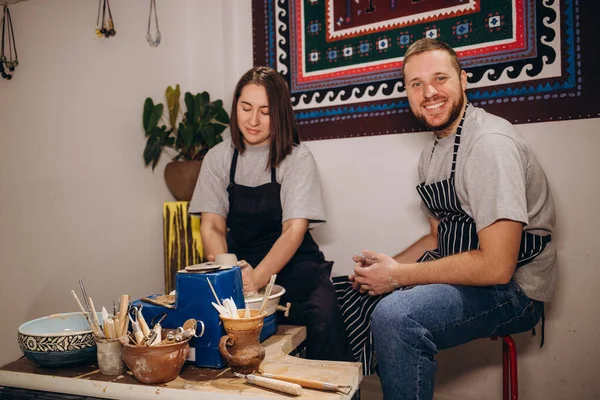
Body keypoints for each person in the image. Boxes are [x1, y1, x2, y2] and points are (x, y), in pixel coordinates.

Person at [339, 38, 556, 399]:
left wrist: (396, 277)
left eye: (440, 78)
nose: (429, 93)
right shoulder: (432, 153)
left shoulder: (489, 145)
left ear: (463, 80)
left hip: (514, 289)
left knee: (396, 316)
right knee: (343, 295)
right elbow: (438, 238)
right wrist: (383, 268)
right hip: (469, 271)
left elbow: (497, 266)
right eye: (416, 84)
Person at [189, 66, 351, 362]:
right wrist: (228, 275)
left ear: (280, 113)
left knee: (324, 316)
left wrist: (259, 278)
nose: (252, 120)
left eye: (265, 111)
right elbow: (211, 226)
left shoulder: (297, 158)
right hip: (240, 265)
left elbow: (294, 230)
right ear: (235, 106)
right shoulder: (218, 158)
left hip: (296, 267)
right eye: (246, 107)